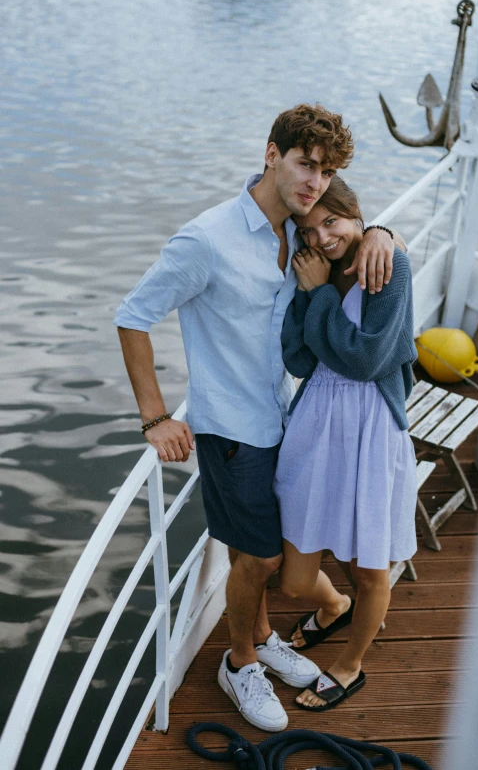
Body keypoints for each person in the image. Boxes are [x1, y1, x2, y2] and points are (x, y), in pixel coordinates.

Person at [114, 104, 398, 732]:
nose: (314, 183)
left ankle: (264, 638)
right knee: (262, 560)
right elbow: (134, 316)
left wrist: (380, 231)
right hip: (232, 427)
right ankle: (240, 661)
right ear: (271, 154)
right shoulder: (206, 239)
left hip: (284, 419)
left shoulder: (299, 228)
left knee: (262, 551)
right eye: (305, 165)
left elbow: (346, 230)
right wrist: (155, 417)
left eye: (325, 173)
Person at [274, 175, 417, 712]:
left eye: (331, 222)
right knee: (294, 580)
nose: (322, 238)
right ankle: (332, 606)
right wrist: (307, 293)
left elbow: (364, 360)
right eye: (309, 230)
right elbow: (298, 359)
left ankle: (350, 665)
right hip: (317, 424)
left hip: (371, 428)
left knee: (370, 566)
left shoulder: (388, 265)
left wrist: (316, 298)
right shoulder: (315, 269)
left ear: (356, 215)